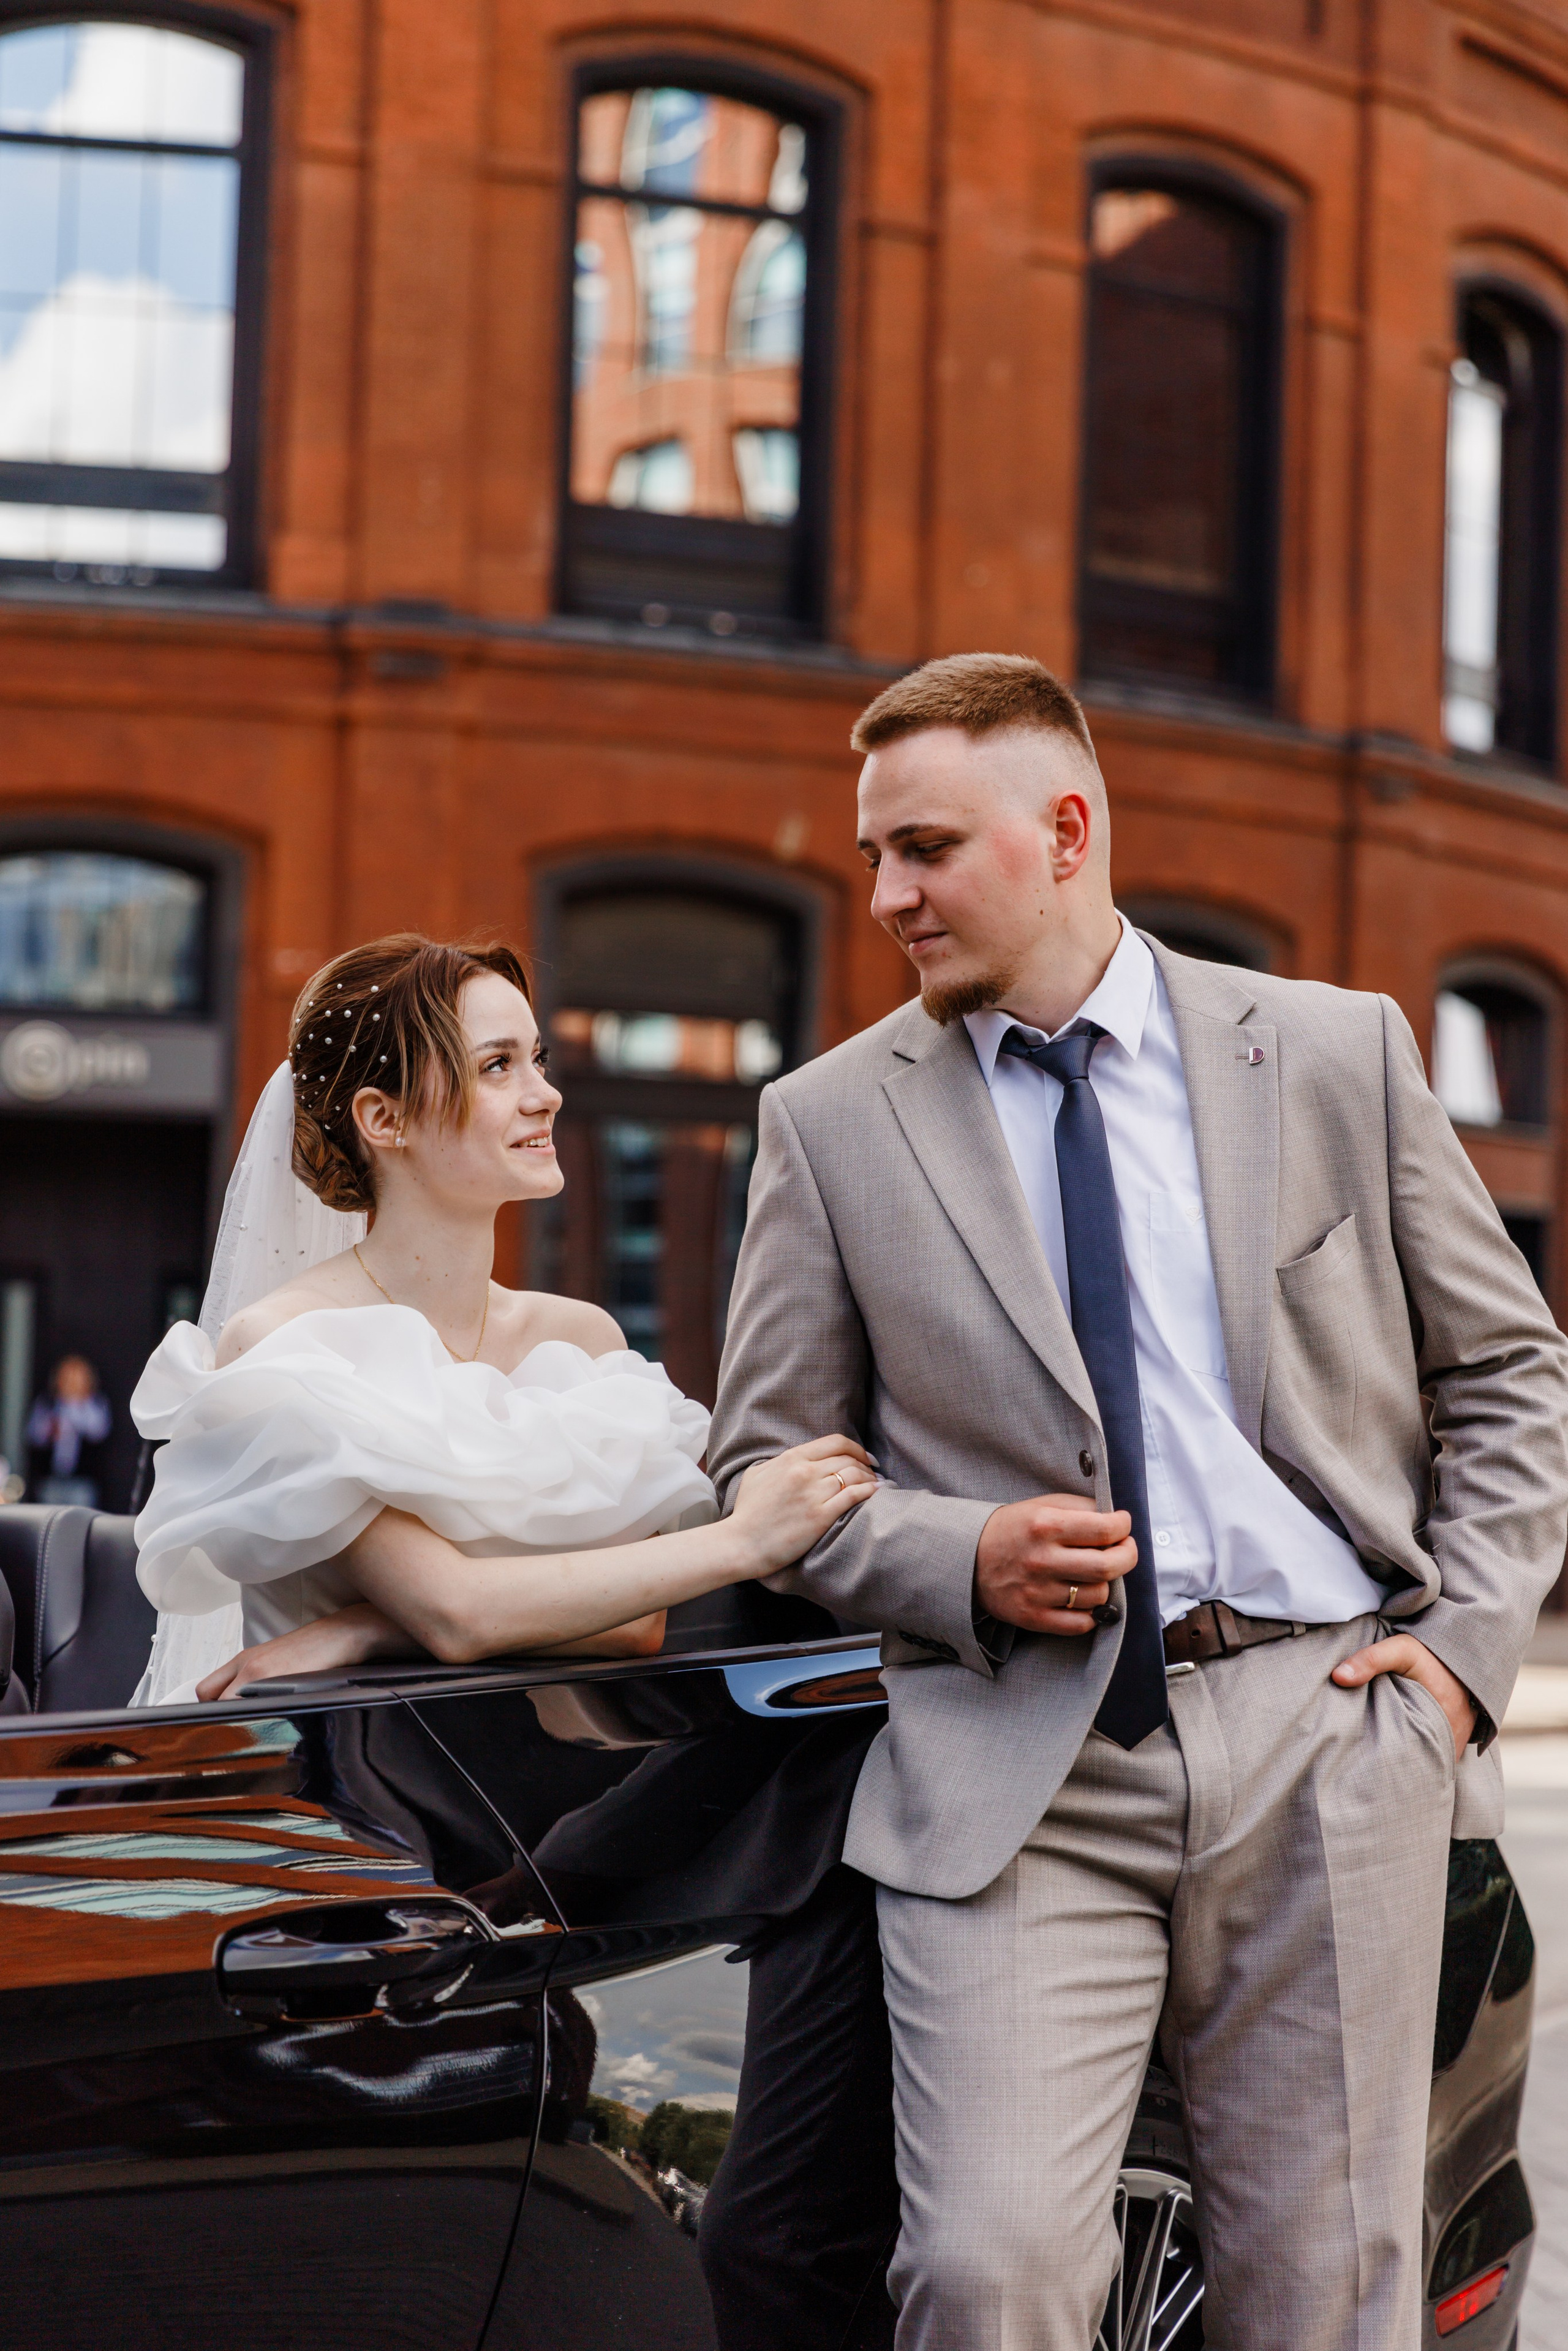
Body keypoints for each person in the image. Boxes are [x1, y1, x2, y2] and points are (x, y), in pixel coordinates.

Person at [705, 652, 1568, 2350]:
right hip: (1019, 1764)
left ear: (1067, 828)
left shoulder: (1331, 1053)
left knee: (1323, 2289)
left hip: (1326, 1728)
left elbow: (1512, 1367)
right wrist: (958, 1552)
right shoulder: (829, 1122)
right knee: (987, 2266)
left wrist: (1467, 1650)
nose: (887, 893)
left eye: (927, 847)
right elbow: (763, 1467)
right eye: (881, 853)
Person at [128, 932, 873, 1708]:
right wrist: (747, 1537)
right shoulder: (283, 1346)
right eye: (496, 1066)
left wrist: (364, 1628)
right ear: (384, 1119)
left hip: (544, 1786)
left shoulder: (582, 1340)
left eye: (537, 1059)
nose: (544, 1093)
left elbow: (636, 1621)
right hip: (351, 1785)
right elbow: (455, 1613)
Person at [26, 1354, 111, 1506]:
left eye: (77, 1377)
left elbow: (98, 1432)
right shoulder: (47, 1403)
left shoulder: (94, 1405)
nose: (72, 1382)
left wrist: (75, 1408)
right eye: (67, 1377)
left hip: (82, 1483)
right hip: (51, 1480)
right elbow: (34, 1436)